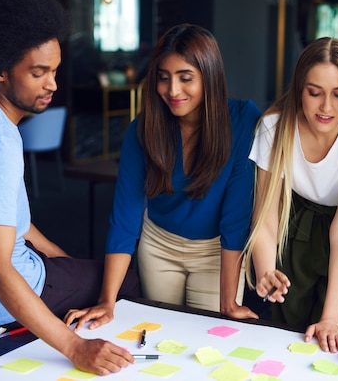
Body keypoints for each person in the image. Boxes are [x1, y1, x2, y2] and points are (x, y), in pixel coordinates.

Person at [0, 0, 140, 376]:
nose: (53, 84)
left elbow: (18, 223)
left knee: (82, 272)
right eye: (38, 72)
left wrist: (62, 261)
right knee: (125, 278)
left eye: (55, 70)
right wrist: (76, 348)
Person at [64, 23, 262, 331]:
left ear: (209, 76)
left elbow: (236, 219)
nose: (172, 90)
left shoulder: (243, 120)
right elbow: (125, 218)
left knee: (206, 339)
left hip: (215, 251)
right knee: (161, 335)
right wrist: (107, 300)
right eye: (163, 77)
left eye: (186, 78)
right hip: (159, 245)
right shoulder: (143, 129)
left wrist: (229, 304)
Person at [243, 37, 338, 353]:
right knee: (292, 343)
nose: (326, 107)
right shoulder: (274, 127)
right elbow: (266, 214)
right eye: (314, 92)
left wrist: (332, 318)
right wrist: (265, 268)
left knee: (336, 347)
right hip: (298, 231)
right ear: (298, 89)